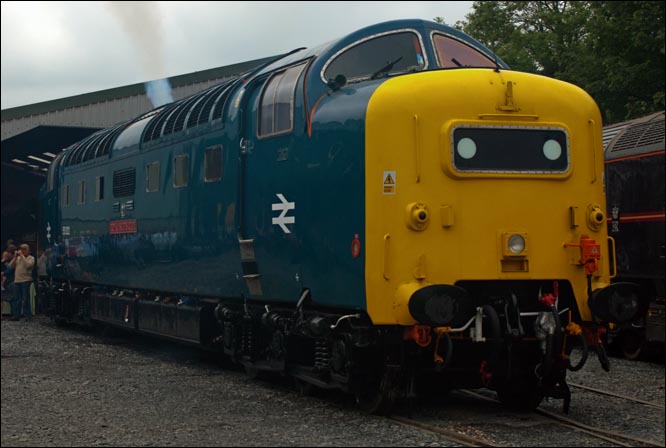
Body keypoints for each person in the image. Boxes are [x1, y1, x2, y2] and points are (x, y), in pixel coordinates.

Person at [8, 244, 35, 321]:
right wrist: (15, 257)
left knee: (26, 299)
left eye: (24, 249)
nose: (22, 251)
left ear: (28, 250)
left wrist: (22, 256)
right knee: (17, 299)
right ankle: (16, 316)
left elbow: (28, 266)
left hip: (26, 280)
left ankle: (27, 316)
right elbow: (10, 266)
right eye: (21, 249)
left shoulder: (31, 258)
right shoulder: (18, 258)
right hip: (17, 280)